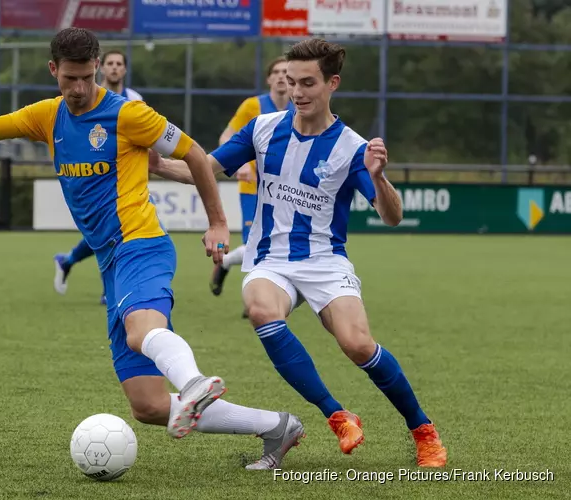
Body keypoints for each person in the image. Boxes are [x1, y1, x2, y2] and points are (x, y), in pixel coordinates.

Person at [0, 27, 304, 471]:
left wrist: (217, 222)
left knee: (140, 331)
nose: (78, 89)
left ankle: (194, 383)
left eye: (86, 77)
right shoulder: (47, 116)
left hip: (142, 244)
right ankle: (277, 426)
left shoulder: (129, 114)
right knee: (148, 405)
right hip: (109, 261)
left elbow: (194, 154)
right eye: (69, 79)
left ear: (97, 68)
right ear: (54, 70)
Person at [148, 38, 447, 468]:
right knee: (260, 309)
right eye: (291, 82)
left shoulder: (352, 148)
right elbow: (204, 169)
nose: (297, 92)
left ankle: (423, 430)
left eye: (308, 83)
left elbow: (392, 216)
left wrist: (380, 178)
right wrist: (158, 164)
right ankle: (337, 415)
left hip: (325, 261)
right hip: (269, 257)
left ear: (332, 83)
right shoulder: (263, 128)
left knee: (358, 345)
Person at [53, 50, 144, 304]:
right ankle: (107, 287)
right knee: (105, 231)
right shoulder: (84, 99)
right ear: (100, 68)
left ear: (125, 70)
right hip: (93, 178)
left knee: (111, 231)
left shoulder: (134, 100)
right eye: (110, 64)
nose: (114, 68)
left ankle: (70, 262)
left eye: (119, 64)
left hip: (123, 177)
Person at [210, 58, 294, 319]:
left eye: (286, 73)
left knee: (276, 243)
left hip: (284, 189)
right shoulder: (253, 106)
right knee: (254, 244)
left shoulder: (300, 107)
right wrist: (241, 164)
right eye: (276, 72)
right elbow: (227, 136)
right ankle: (257, 302)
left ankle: (225, 264)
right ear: (269, 79)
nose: (281, 77)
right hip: (252, 186)